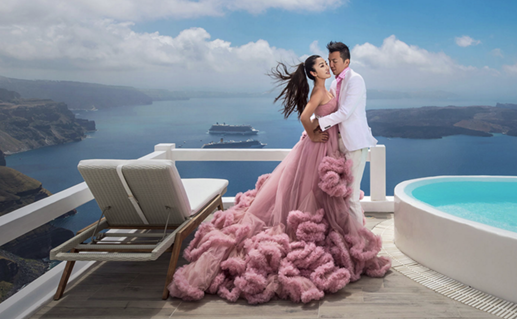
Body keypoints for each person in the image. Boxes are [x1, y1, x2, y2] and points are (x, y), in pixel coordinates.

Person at [167, 54, 390, 304]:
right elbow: (305, 117)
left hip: (327, 147)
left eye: (326, 64)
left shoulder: (328, 88)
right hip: (317, 149)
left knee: (320, 194)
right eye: (321, 65)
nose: (326, 67)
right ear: (313, 73)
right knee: (311, 193)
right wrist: (313, 136)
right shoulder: (317, 93)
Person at [313, 41, 377, 225]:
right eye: (329, 61)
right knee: (339, 193)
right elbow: (331, 109)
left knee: (352, 195)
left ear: (346, 62)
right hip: (338, 143)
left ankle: (359, 241)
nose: (331, 65)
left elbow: (345, 112)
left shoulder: (356, 79)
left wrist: (319, 123)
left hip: (355, 144)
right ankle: (347, 234)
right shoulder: (334, 83)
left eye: (334, 61)